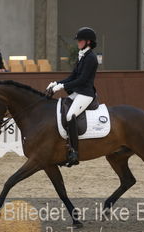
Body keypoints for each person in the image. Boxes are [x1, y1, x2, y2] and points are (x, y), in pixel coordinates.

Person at [46, 27, 98, 167]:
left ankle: (74, 152)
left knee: (70, 116)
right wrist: (57, 83)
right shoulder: (82, 55)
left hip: (86, 93)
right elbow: (72, 76)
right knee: (61, 110)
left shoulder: (91, 58)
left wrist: (61, 87)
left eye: (80, 40)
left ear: (88, 42)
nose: (78, 43)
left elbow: (81, 80)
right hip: (78, 92)